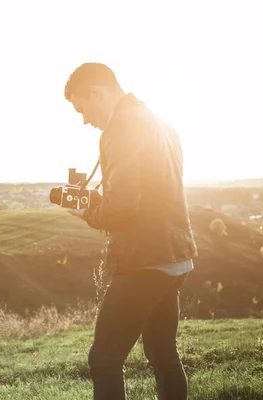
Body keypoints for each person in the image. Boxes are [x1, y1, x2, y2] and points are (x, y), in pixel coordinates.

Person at [63, 63, 198, 400]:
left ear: (97, 92)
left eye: (82, 108)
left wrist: (87, 211)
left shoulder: (120, 128)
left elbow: (122, 208)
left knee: (105, 359)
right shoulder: (158, 120)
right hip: (175, 256)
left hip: (144, 261)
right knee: (163, 354)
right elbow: (149, 193)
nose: (84, 120)